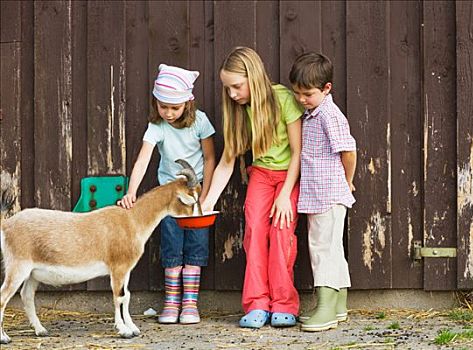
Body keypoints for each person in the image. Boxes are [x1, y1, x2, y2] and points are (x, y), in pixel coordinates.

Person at [201, 47, 303, 328]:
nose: (232, 94)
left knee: (281, 232)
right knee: (255, 231)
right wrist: (208, 201)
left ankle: (284, 303)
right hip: (260, 174)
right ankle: (257, 303)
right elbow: (226, 162)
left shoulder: (283, 99)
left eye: (237, 86)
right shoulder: (238, 111)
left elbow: (298, 152)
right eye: (228, 88)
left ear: (254, 77)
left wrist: (285, 195)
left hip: (287, 177)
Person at [118, 64, 216, 325]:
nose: (169, 113)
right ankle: (172, 302)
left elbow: (209, 158)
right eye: (163, 107)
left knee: (196, 245)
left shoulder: (200, 122)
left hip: (195, 197)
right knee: (172, 245)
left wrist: (205, 198)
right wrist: (131, 192)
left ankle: (190, 304)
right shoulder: (157, 126)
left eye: (175, 107)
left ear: (188, 103)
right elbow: (143, 160)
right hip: (168, 200)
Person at [288, 52, 357, 332]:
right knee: (332, 248)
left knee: (322, 249)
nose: (301, 99)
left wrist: (347, 181)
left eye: (307, 94)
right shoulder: (313, 112)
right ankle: (339, 305)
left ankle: (326, 308)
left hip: (328, 193)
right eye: (297, 93)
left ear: (326, 88)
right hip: (320, 192)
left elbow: (349, 151)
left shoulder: (329, 115)